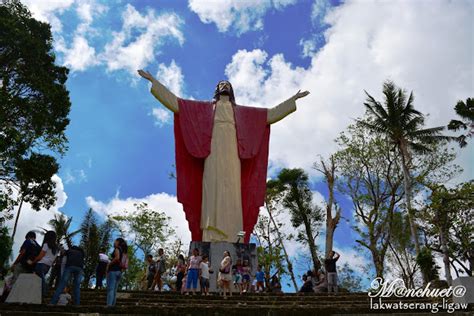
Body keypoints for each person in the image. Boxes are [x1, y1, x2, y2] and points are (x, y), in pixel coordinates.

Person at [32, 230, 58, 299]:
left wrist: (33, 261)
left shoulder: (46, 244)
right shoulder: (56, 248)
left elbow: (40, 256)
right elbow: (54, 260)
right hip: (48, 266)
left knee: (41, 279)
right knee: (40, 279)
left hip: (41, 264)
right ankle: (40, 294)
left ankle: (44, 292)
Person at [106, 238, 128, 306]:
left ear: (118, 242)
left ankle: (109, 305)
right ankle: (112, 305)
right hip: (119, 272)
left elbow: (117, 258)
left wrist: (108, 264)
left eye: (115, 241)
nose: (114, 242)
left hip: (113, 271)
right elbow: (124, 263)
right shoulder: (124, 253)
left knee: (111, 289)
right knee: (114, 290)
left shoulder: (117, 249)